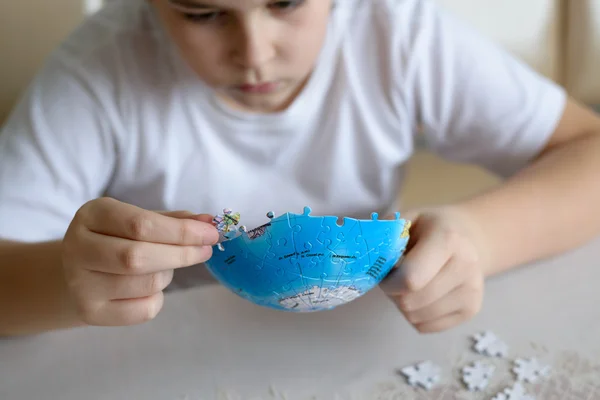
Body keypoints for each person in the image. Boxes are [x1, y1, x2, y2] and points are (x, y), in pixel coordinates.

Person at [1, 0, 599, 337]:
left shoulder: (399, 36)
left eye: (285, 2)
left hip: (354, 336)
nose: (254, 52)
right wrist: (67, 278)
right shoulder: (98, 75)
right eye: (203, 14)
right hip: (173, 348)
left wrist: (481, 237)